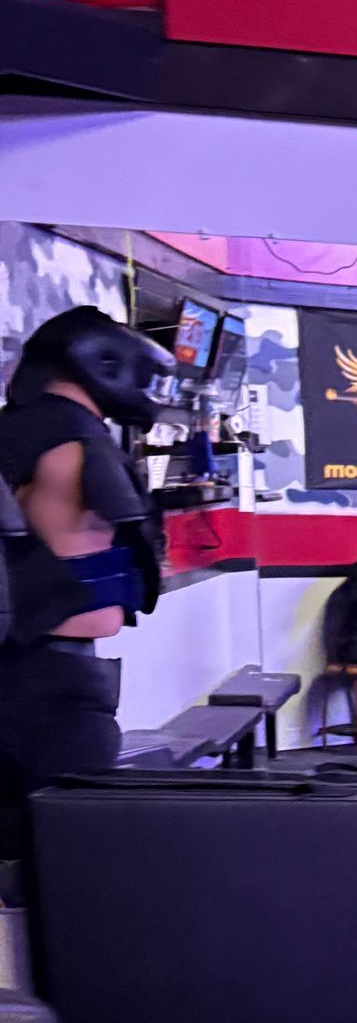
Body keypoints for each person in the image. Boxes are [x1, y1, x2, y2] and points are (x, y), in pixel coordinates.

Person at [0, 307, 172, 824]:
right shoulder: (75, 444)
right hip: (54, 683)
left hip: (21, 675)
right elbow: (91, 562)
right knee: (69, 855)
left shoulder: (15, 431)